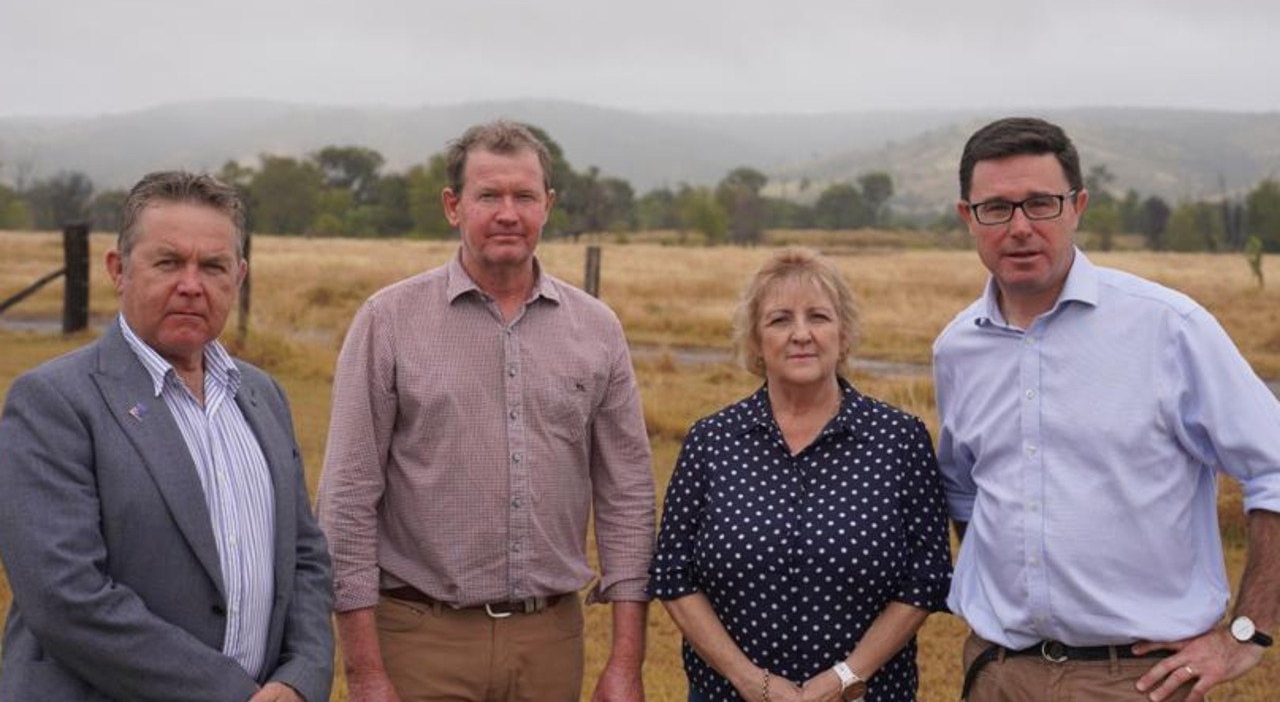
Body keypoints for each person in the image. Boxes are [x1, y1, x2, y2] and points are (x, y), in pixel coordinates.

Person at [934, 116, 1280, 702]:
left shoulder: (1170, 329)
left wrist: (1248, 634)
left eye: (1040, 204)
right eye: (996, 208)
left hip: (1133, 680)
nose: (1019, 227)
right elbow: (966, 492)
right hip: (997, 675)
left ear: (1078, 206)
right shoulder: (957, 349)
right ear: (969, 217)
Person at [317, 119, 656, 702]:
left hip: (550, 640)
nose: (508, 213)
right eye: (488, 196)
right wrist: (366, 672)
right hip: (420, 638)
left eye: (524, 196)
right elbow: (347, 497)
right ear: (453, 206)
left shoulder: (597, 329)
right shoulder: (389, 322)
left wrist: (626, 662)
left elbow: (628, 496)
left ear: (547, 206)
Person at [0, 171, 334, 702]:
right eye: (168, 261)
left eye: (213, 266)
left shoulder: (263, 394)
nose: (191, 284)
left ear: (239, 277)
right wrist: (231, 693)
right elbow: (64, 597)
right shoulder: (54, 402)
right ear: (119, 269)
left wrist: (301, 678)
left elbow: (306, 558)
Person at [649, 247, 953, 702]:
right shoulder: (710, 441)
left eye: (819, 317)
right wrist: (752, 682)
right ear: (754, 340)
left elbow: (927, 576)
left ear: (844, 334)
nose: (801, 335)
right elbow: (673, 575)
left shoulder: (900, 440)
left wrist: (846, 677)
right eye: (779, 320)